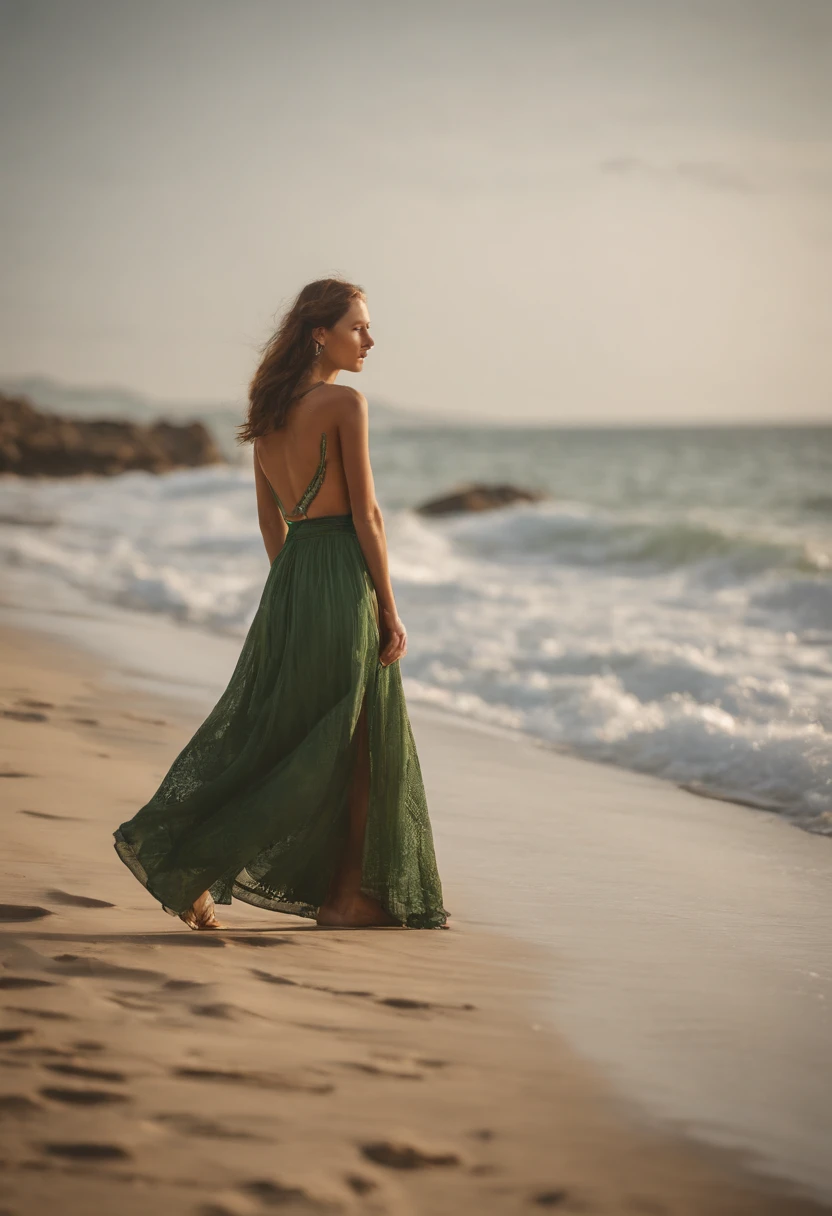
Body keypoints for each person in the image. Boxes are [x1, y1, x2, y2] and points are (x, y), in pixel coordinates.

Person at [113, 277, 449, 931]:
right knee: (351, 751)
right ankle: (340, 897)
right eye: (358, 328)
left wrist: (295, 594)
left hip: (292, 579)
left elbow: (271, 523)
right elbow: (368, 516)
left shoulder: (266, 408)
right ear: (319, 332)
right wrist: (388, 605)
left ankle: (207, 866)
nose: (370, 340)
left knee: (279, 739)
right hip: (339, 576)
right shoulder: (344, 405)